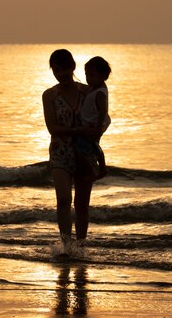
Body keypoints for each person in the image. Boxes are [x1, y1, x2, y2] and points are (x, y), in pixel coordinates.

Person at [42, 49, 93, 252]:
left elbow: (101, 119)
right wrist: (77, 130)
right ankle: (66, 245)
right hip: (60, 152)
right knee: (63, 200)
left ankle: (80, 246)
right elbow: (52, 128)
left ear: (72, 66)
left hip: (84, 152)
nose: (60, 74)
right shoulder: (49, 95)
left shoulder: (88, 92)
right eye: (56, 70)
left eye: (63, 69)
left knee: (81, 204)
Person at [74, 56, 111, 180]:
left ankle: (98, 169)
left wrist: (98, 126)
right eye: (87, 75)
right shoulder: (94, 88)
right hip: (90, 123)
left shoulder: (100, 92)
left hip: (93, 124)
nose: (88, 79)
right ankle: (99, 168)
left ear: (103, 76)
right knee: (91, 147)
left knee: (83, 148)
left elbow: (102, 111)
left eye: (92, 75)